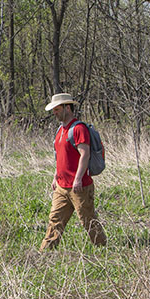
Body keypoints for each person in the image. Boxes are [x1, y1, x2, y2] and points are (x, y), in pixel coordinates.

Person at [39, 93, 108, 250]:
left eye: (57, 109)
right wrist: (55, 177)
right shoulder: (60, 130)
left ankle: (102, 248)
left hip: (80, 187)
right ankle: (45, 252)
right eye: (53, 110)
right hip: (62, 187)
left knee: (87, 220)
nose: (54, 113)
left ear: (67, 108)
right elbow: (60, 157)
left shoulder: (78, 129)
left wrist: (77, 179)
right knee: (55, 220)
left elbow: (85, 154)